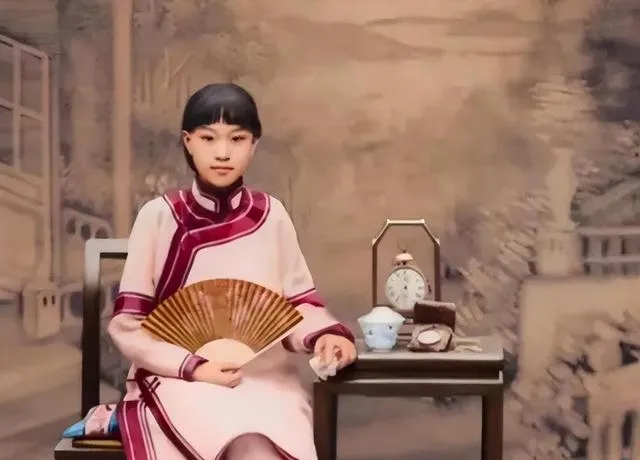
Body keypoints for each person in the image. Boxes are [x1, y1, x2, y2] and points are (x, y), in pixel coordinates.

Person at [107, 82, 357, 460]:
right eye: (208, 138)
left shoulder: (270, 215)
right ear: (188, 142)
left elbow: (297, 306)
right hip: (177, 378)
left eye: (237, 139)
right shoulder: (159, 217)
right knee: (244, 443)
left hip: (266, 378)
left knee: (260, 442)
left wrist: (325, 336)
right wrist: (194, 367)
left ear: (253, 145)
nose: (223, 152)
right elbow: (129, 326)